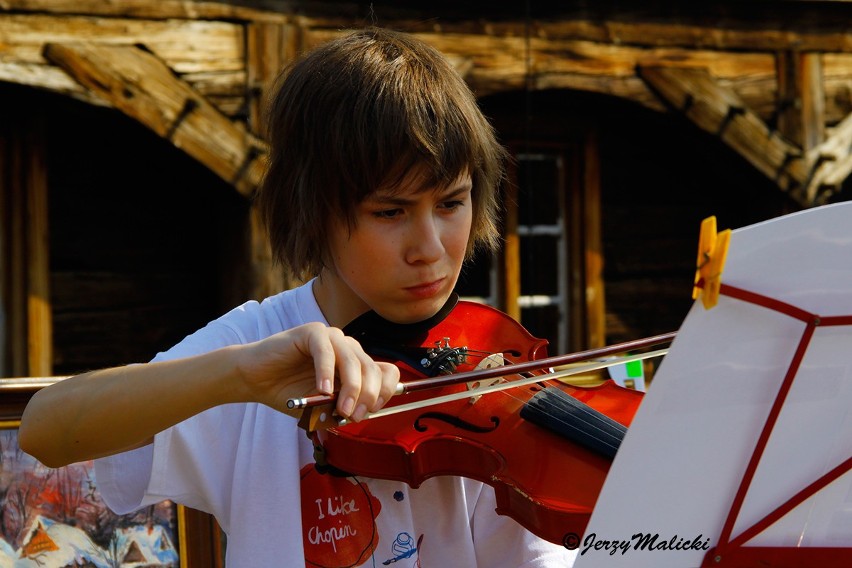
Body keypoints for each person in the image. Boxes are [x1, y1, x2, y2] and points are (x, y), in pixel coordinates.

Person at [19, 27, 575, 567]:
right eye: (390, 212)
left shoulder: (491, 367)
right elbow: (46, 430)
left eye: (452, 203)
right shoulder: (257, 344)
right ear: (313, 213)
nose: (430, 249)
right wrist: (239, 375)